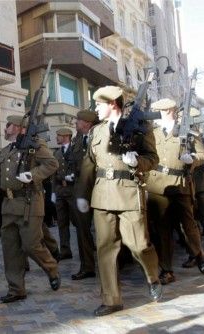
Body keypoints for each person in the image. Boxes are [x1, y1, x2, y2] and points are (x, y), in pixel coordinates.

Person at [75, 86, 162, 316]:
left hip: (129, 192)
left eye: (99, 104)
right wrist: (82, 195)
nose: (95, 108)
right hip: (102, 194)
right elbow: (88, 165)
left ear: (113, 103)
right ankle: (111, 299)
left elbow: (152, 158)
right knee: (104, 249)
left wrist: (136, 162)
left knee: (139, 246)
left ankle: (153, 276)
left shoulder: (141, 127)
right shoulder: (97, 132)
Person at [0, 115, 60, 303]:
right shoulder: (5, 151)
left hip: (29, 202)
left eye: (8, 125)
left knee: (31, 245)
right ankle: (16, 289)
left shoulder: (34, 146)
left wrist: (32, 175)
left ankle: (51, 268)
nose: (5, 128)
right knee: (10, 249)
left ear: (17, 127)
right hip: (8, 205)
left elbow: (52, 164)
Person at [145, 98, 204, 284]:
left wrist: (193, 159)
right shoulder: (153, 133)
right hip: (157, 185)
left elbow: (202, 154)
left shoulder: (187, 132)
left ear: (171, 111)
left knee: (188, 225)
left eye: (162, 112)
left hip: (180, 182)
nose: (159, 116)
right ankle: (167, 270)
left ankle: (198, 253)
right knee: (162, 228)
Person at [70, 110, 98, 280]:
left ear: (87, 123)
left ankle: (119, 261)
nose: (76, 123)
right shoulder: (78, 139)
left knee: (108, 229)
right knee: (82, 229)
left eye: (78, 120)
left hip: (100, 186)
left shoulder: (99, 136)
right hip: (82, 190)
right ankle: (87, 266)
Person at [51, 128, 75, 261]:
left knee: (79, 221)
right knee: (62, 222)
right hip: (60, 189)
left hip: (73, 190)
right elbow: (54, 174)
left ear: (67, 136)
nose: (57, 138)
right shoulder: (56, 153)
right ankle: (65, 250)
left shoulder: (75, 150)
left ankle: (87, 246)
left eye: (59, 136)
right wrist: (53, 192)